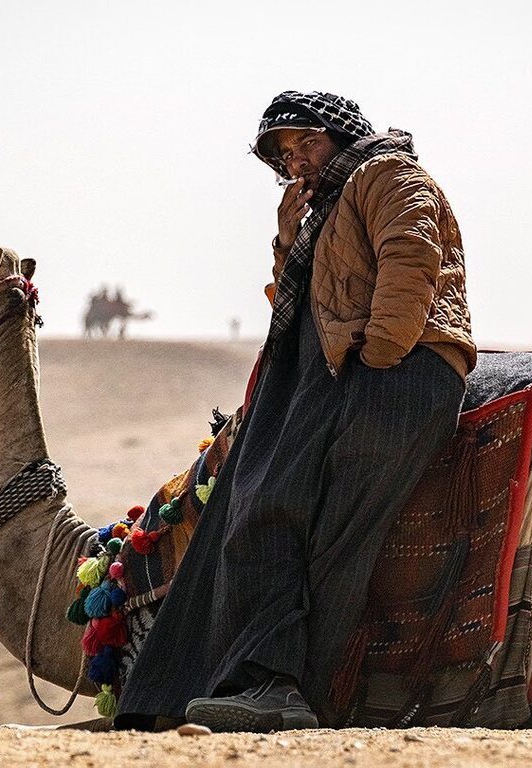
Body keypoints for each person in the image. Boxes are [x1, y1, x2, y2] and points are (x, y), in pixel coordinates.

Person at [115, 91, 476, 732]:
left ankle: (288, 691)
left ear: (340, 135)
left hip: (394, 373)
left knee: (331, 533)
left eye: (305, 143)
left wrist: (382, 353)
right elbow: (299, 300)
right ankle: (242, 683)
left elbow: (411, 253)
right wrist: (289, 236)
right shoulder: (319, 212)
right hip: (329, 378)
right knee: (259, 508)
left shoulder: (385, 172)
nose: (295, 161)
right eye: (283, 155)